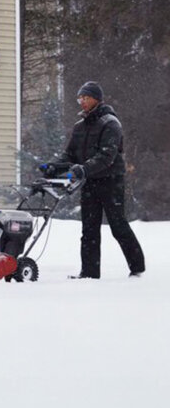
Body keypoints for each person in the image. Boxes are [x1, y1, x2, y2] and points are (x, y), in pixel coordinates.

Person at [42, 81, 146, 279]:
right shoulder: (79, 126)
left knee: (118, 225)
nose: (82, 101)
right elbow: (70, 154)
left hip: (111, 181)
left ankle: (137, 266)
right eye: (80, 98)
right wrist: (54, 167)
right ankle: (89, 272)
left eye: (86, 97)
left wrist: (83, 168)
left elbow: (107, 156)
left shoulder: (110, 123)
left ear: (97, 99)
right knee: (89, 229)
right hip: (89, 182)